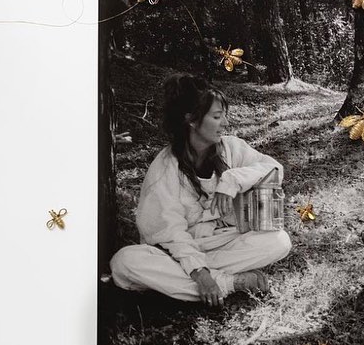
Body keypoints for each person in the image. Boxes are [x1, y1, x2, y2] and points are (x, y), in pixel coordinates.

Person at [110, 74, 291, 306]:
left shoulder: (231, 148)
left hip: (222, 244)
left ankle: (189, 283)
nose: (225, 123)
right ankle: (229, 283)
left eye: (224, 115)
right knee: (125, 262)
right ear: (192, 120)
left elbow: (274, 169)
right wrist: (200, 272)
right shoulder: (165, 169)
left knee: (279, 241)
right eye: (217, 116)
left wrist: (232, 180)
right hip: (176, 252)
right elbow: (170, 234)